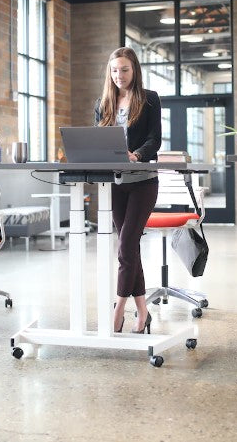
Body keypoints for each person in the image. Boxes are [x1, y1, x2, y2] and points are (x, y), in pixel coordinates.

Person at [94, 47, 161, 334]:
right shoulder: (103, 103)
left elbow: (154, 139)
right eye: (114, 70)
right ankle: (143, 311)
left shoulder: (149, 99)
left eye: (124, 69)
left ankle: (119, 308)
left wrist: (137, 154)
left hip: (143, 181)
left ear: (134, 70)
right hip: (115, 183)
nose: (119, 75)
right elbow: (97, 138)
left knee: (125, 246)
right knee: (129, 247)